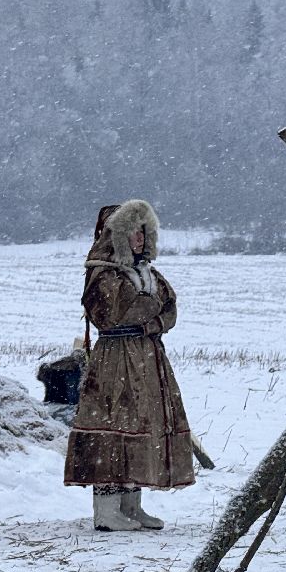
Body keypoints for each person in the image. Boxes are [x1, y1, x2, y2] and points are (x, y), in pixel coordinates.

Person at [65, 201, 195, 529]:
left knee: (142, 425)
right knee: (113, 425)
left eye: (143, 231)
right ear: (118, 236)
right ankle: (107, 511)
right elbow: (116, 314)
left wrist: (151, 319)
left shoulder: (146, 272)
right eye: (132, 232)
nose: (139, 238)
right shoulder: (102, 273)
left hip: (149, 357)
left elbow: (170, 310)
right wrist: (151, 310)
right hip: (115, 360)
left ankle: (131, 504)